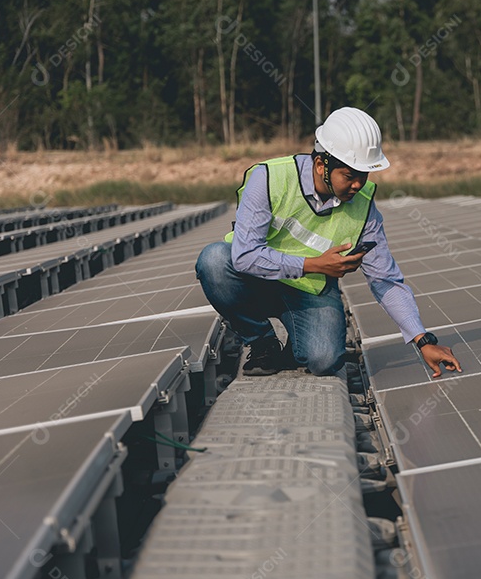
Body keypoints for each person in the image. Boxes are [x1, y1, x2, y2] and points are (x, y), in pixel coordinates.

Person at [195, 106, 461, 379]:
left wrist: (422, 340)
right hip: (255, 279)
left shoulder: (363, 206)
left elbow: (385, 278)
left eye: (364, 176)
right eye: (349, 176)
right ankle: (261, 341)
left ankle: (294, 347)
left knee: (323, 359)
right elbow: (245, 256)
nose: (358, 185)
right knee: (214, 261)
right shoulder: (270, 179)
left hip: (308, 291)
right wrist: (312, 264)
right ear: (322, 165)